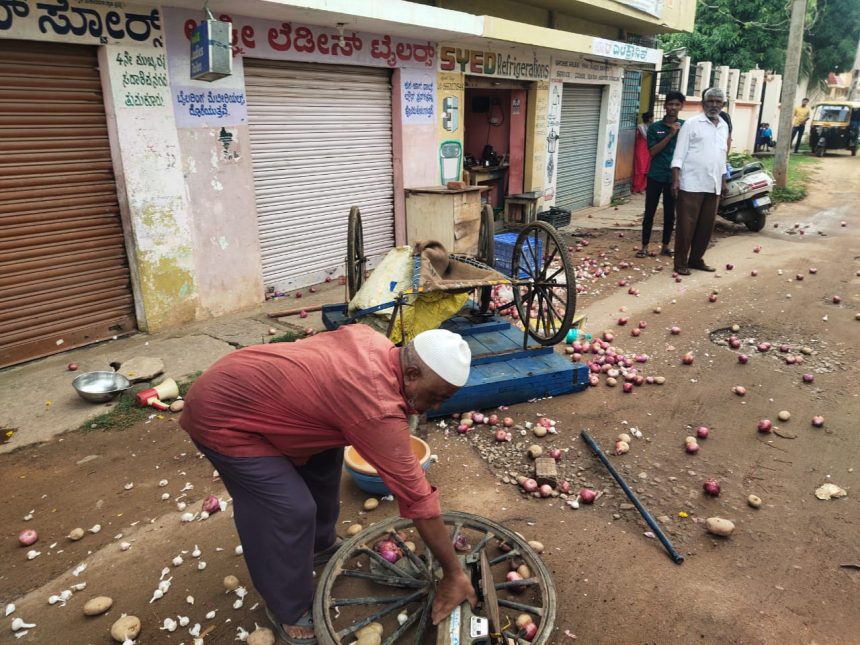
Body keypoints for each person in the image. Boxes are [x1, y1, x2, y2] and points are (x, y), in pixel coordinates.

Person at [179, 325, 477, 644]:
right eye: (436, 397)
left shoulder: (374, 341)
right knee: (287, 509)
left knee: (325, 459)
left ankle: (319, 543)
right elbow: (419, 499)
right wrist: (454, 573)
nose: (435, 407)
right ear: (414, 372)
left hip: (245, 381)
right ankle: (288, 608)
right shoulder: (375, 405)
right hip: (222, 414)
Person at [670, 87, 730, 276]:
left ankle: (696, 259)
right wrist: (676, 179)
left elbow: (722, 157)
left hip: (712, 185)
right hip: (691, 183)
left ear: (723, 105)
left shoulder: (723, 126)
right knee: (686, 227)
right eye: (710, 101)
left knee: (706, 227)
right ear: (703, 104)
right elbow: (679, 153)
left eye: (717, 102)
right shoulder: (692, 124)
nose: (714, 105)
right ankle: (680, 263)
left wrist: (723, 180)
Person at [637, 92, 685, 259]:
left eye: (676, 104)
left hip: (674, 178)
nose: (673, 107)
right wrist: (670, 134)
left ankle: (665, 246)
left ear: (681, 107)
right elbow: (652, 152)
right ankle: (644, 246)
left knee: (670, 213)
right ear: (665, 106)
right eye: (670, 104)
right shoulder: (655, 128)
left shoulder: (685, 127)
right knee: (649, 211)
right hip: (656, 176)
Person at [632, 111, 653, 193]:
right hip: (641, 149)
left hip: (647, 149)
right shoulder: (640, 127)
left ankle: (642, 187)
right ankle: (636, 187)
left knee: (646, 169)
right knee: (640, 168)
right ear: (650, 118)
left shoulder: (651, 127)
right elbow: (644, 136)